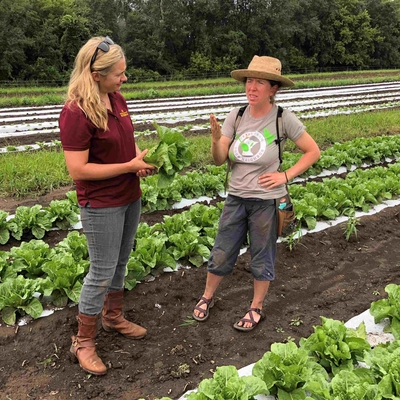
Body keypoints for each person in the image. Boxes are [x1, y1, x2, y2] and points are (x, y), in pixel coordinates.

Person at [192, 55, 320, 331]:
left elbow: (313, 151)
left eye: (259, 82)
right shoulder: (236, 116)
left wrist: (285, 175)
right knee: (222, 251)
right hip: (236, 198)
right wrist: (215, 140)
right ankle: (207, 296)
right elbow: (219, 159)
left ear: (273, 88)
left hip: (266, 201)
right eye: (249, 81)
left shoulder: (283, 118)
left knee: (262, 254)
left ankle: (256, 307)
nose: (252, 87)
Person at [59, 36, 156, 375]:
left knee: (121, 263)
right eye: (119, 73)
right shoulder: (75, 112)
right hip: (101, 203)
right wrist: (127, 167)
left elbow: (123, 144)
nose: (124, 78)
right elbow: (78, 169)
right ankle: (83, 342)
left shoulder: (116, 99)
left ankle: (113, 317)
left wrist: (138, 162)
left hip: (130, 195)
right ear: (96, 73)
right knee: (101, 271)